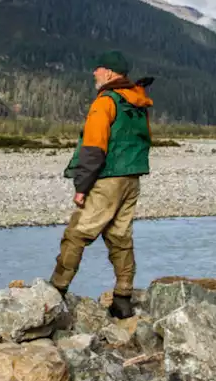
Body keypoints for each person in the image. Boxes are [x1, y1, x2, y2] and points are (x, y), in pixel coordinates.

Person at [50, 50, 154, 319]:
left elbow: (94, 147)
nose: (93, 73)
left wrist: (82, 187)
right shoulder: (137, 102)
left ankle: (55, 292)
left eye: (97, 68)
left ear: (109, 72)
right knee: (120, 237)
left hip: (108, 178)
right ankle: (122, 299)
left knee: (78, 234)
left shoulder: (106, 100)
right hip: (132, 178)